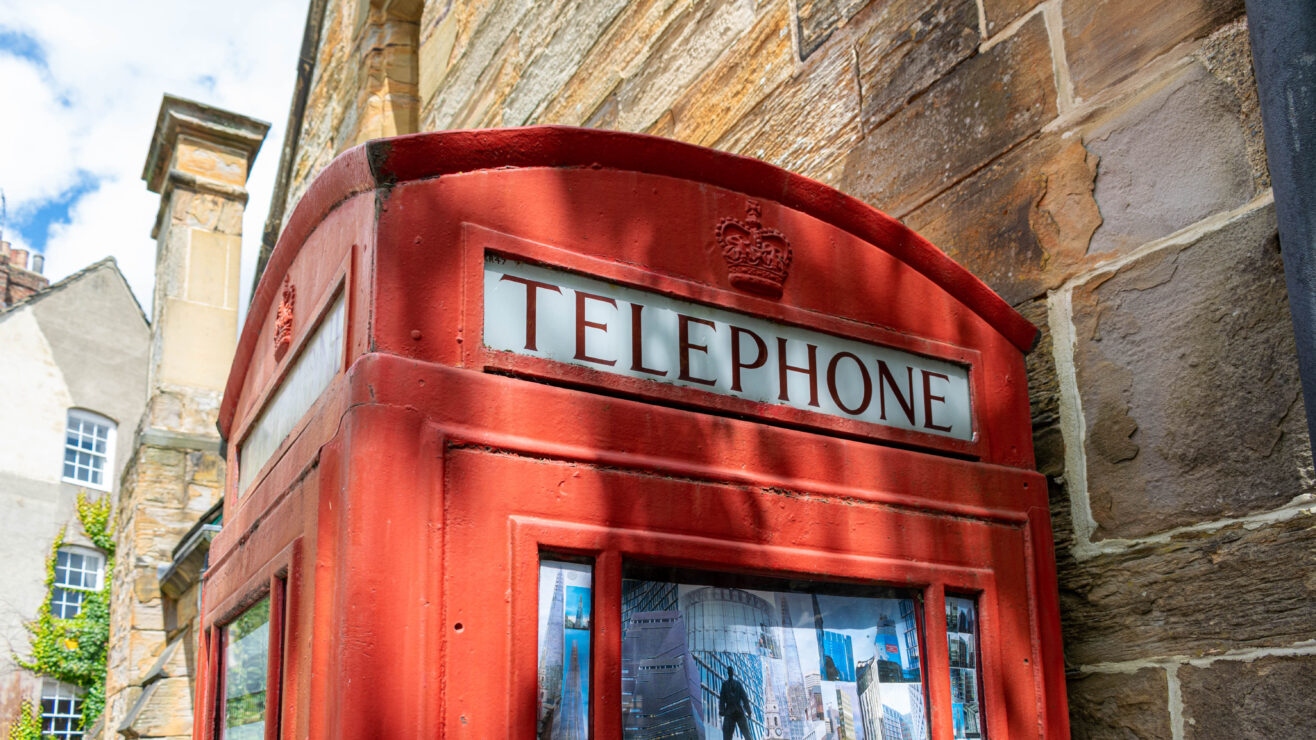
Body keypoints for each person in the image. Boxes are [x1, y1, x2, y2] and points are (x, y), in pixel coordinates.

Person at [718, 666, 754, 740]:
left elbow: (744, 698)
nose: (730, 673)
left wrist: (748, 711)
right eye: (729, 671)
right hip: (729, 712)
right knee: (726, 735)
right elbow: (722, 699)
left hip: (739, 711)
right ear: (728, 673)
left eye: (731, 671)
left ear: (733, 672)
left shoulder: (738, 684)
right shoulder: (724, 685)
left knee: (747, 733)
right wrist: (721, 710)